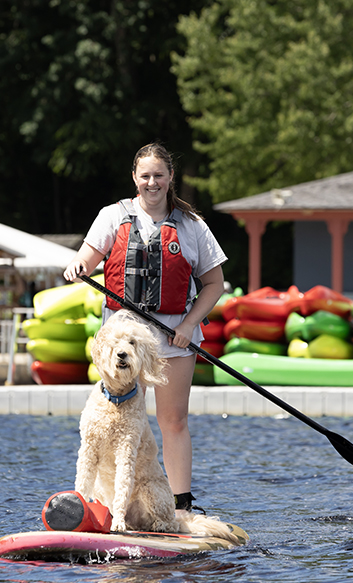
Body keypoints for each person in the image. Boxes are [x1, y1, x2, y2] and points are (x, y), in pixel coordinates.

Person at [63, 143, 227, 513]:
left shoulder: (192, 226)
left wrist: (188, 324)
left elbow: (214, 284)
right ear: (135, 178)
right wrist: (77, 267)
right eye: (145, 176)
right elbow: (86, 260)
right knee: (117, 423)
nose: (152, 182)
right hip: (124, 341)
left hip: (173, 339)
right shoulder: (112, 216)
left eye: (159, 175)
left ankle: (181, 504)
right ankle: (106, 500)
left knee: (173, 420)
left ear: (171, 178)